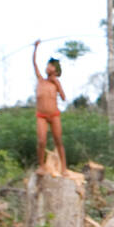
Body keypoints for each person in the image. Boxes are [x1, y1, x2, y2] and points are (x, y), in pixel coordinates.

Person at [32, 39, 68, 174]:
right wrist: (35, 48)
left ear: (56, 70)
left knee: (58, 140)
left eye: (51, 66)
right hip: (41, 115)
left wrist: (57, 83)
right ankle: (41, 166)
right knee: (41, 141)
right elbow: (34, 63)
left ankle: (64, 167)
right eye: (48, 65)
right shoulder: (41, 80)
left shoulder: (55, 83)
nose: (48, 67)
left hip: (54, 115)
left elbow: (64, 97)